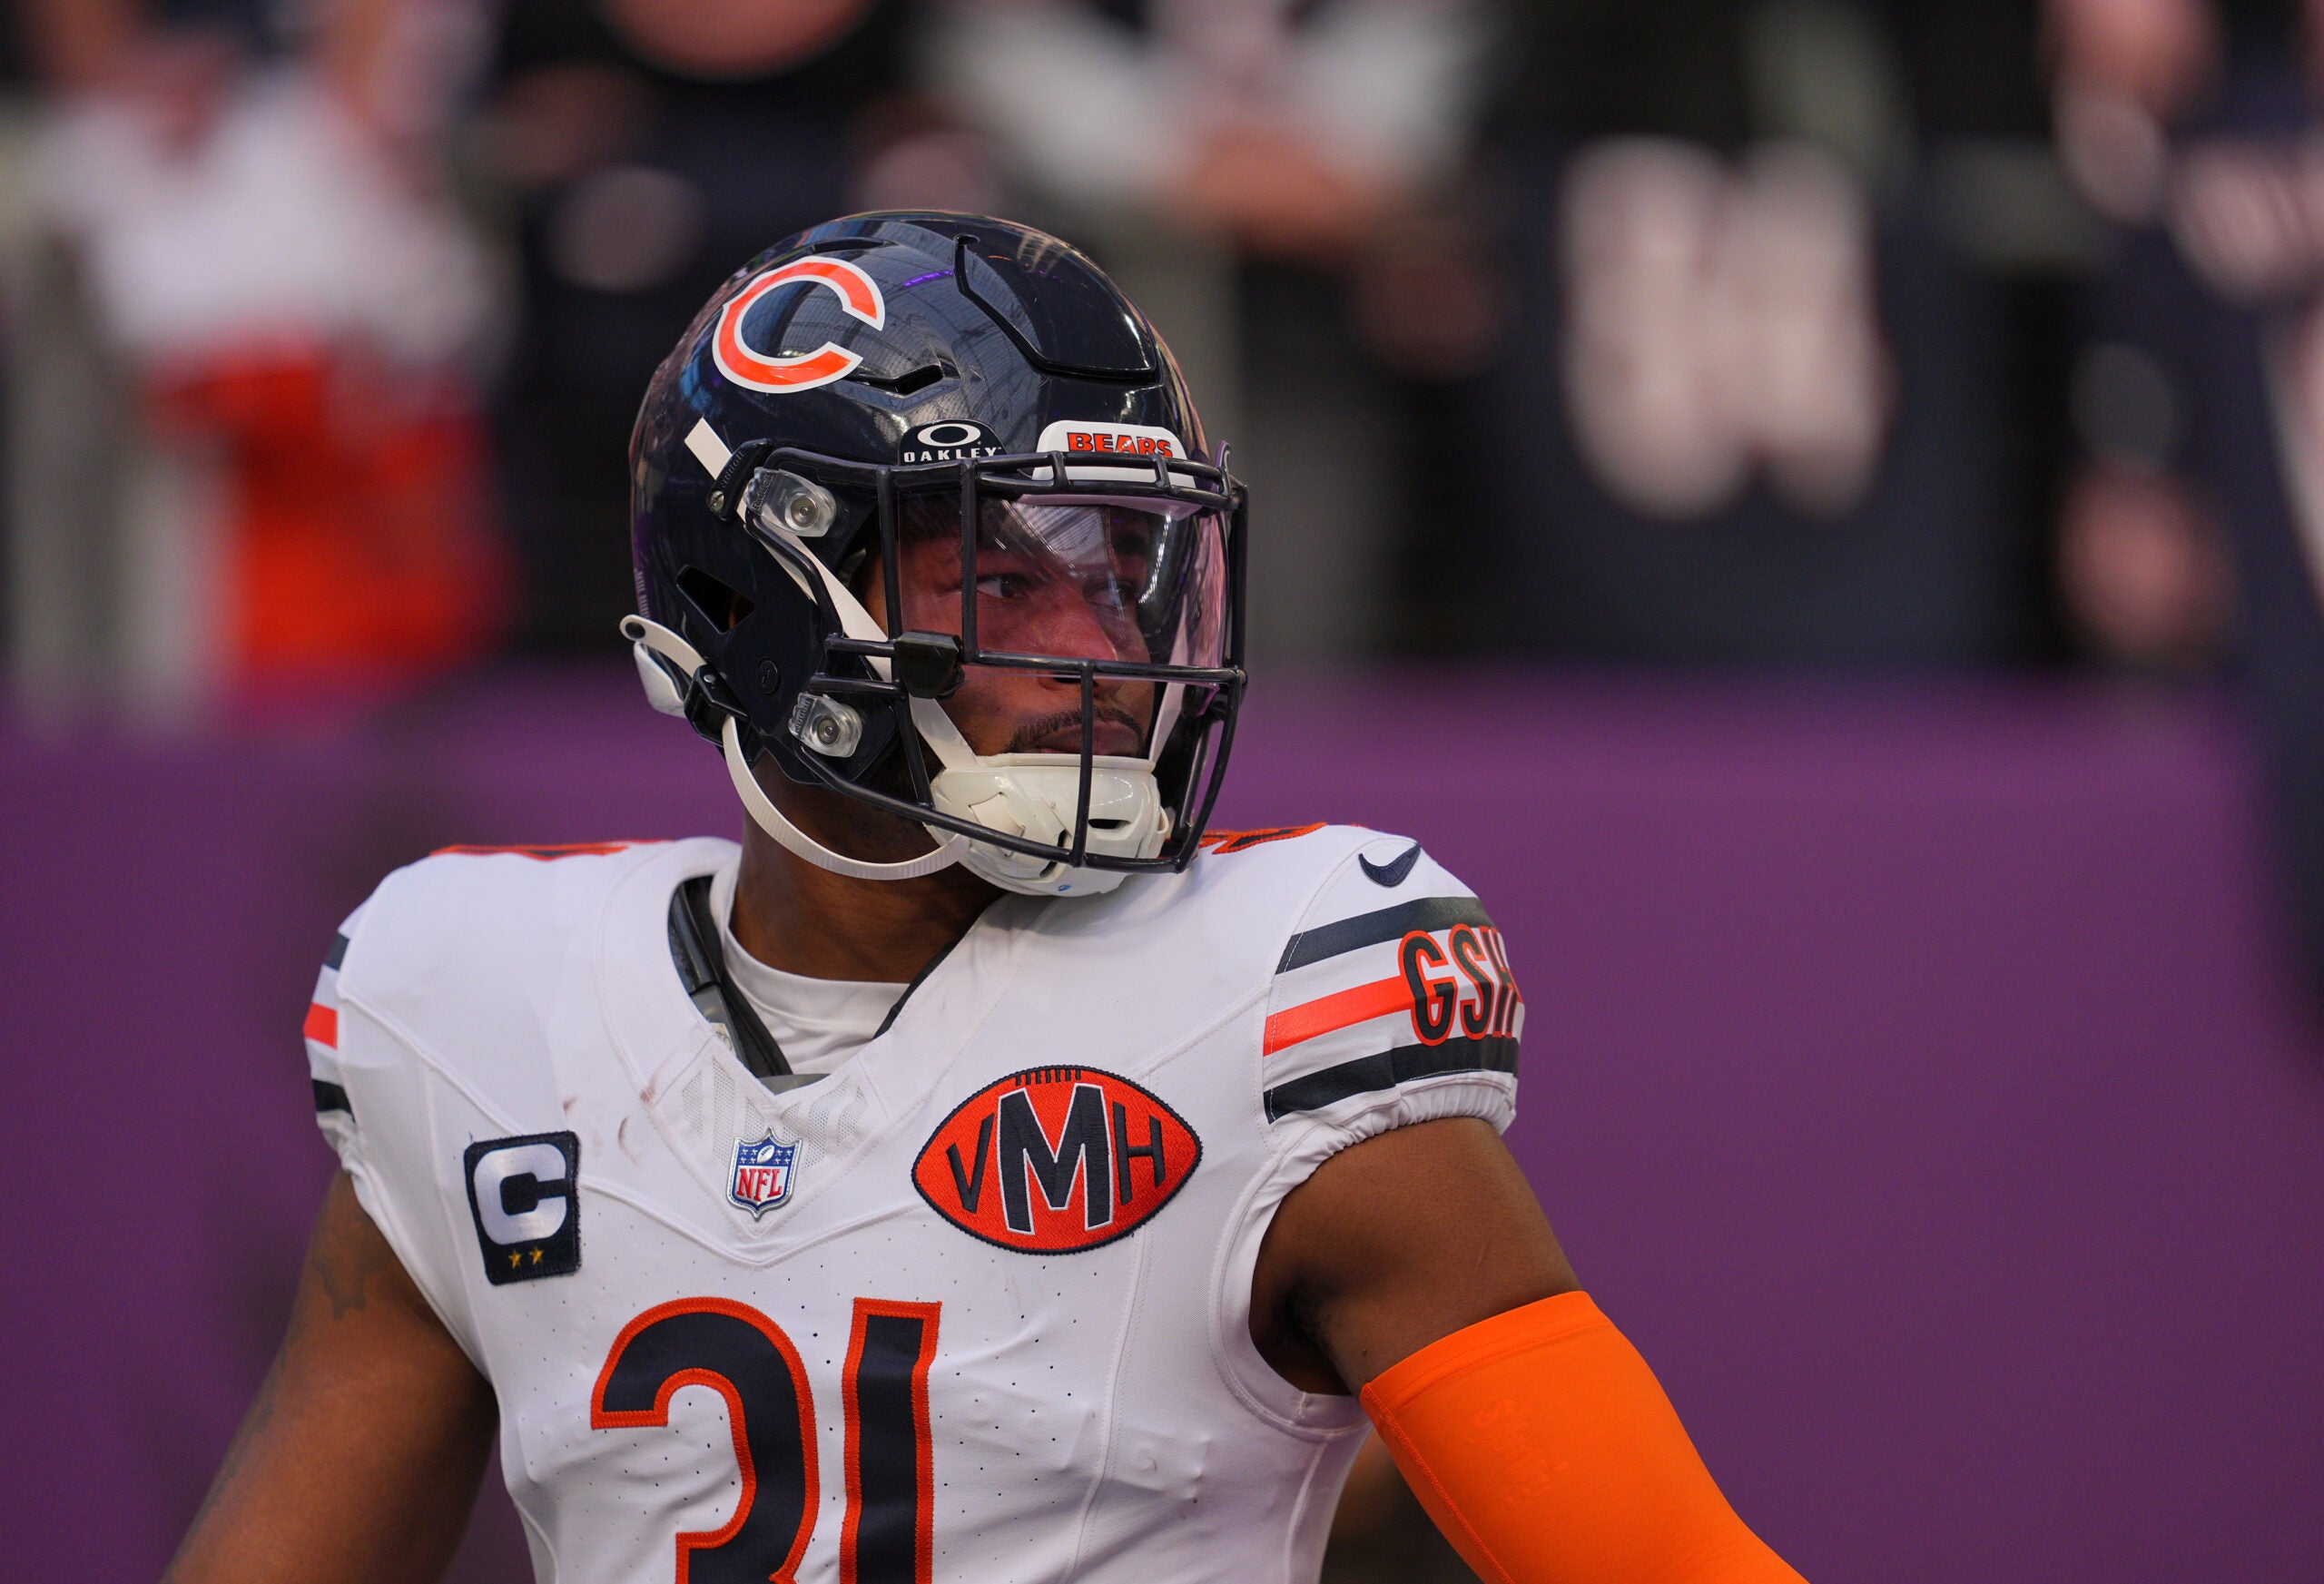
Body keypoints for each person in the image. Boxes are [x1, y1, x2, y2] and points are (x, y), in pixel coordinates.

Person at [163, 212, 1808, 1584]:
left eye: (1121, 572)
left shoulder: (1273, 1008)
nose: (1101, 657)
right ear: (760, 591)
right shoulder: (475, 1014)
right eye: (1006, 573)